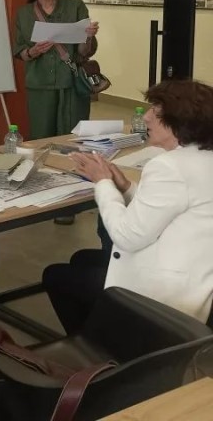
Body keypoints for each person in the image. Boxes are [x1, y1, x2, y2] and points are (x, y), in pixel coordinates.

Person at [42, 80, 213, 332]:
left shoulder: (169, 166)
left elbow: (126, 236)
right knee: (82, 259)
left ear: (180, 121)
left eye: (155, 111)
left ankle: (97, 346)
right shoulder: (201, 157)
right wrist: (124, 187)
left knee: (56, 276)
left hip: (166, 293)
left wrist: (103, 183)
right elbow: (166, 208)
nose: (145, 118)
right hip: (195, 275)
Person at [13, 0, 100, 139]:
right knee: (41, 135)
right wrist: (33, 51)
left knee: (73, 136)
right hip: (39, 84)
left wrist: (88, 35)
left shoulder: (75, 6)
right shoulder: (23, 13)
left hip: (72, 83)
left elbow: (84, 52)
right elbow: (20, 51)